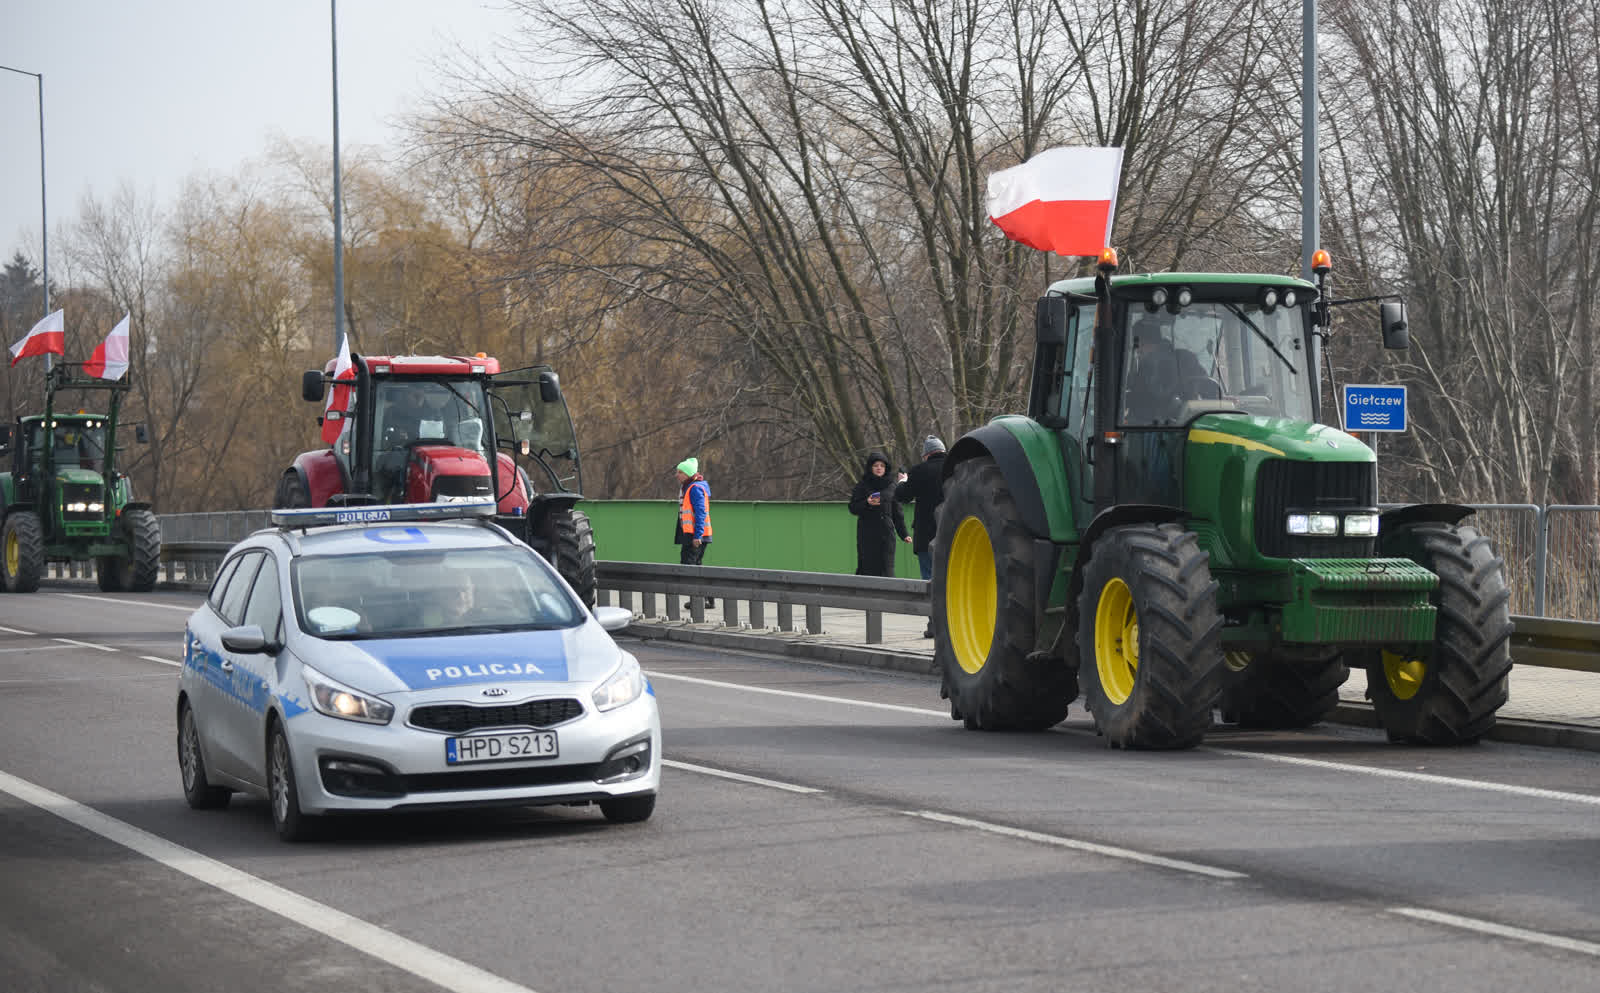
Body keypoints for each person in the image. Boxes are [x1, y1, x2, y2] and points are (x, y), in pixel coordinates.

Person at [895, 436, 947, 637]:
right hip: (954, 536)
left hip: (926, 536)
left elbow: (903, 496)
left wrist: (903, 481)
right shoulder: (958, 466)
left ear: (926, 455)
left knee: (930, 580)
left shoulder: (919, 471)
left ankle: (935, 625)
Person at [848, 451, 910, 577]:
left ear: (886, 468)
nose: (879, 468)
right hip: (867, 533)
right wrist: (867, 503)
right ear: (870, 468)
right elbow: (853, 507)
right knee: (867, 567)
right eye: (876, 465)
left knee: (886, 568)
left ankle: (888, 595)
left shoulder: (891, 486)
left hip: (886, 534)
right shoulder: (862, 485)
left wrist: (904, 534)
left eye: (882, 466)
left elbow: (897, 513)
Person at [673, 457, 714, 610]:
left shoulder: (694, 488)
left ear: (688, 474)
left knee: (689, 567)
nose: (677, 475)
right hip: (691, 534)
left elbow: (700, 512)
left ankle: (699, 599)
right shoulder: (689, 486)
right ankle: (707, 600)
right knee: (696, 566)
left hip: (695, 536)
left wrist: (697, 536)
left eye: (680, 472)